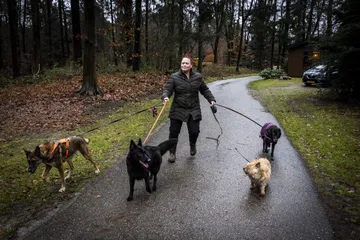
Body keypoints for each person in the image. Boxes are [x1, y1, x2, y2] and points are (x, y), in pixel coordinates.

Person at [161, 53, 216, 163]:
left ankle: (192, 144)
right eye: (182, 63)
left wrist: (211, 100)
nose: (184, 65)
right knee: (174, 132)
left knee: (194, 131)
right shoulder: (174, 77)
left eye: (186, 63)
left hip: (193, 109)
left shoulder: (197, 77)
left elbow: (204, 90)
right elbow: (167, 89)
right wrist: (165, 97)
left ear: (191, 65)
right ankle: (172, 152)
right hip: (178, 108)